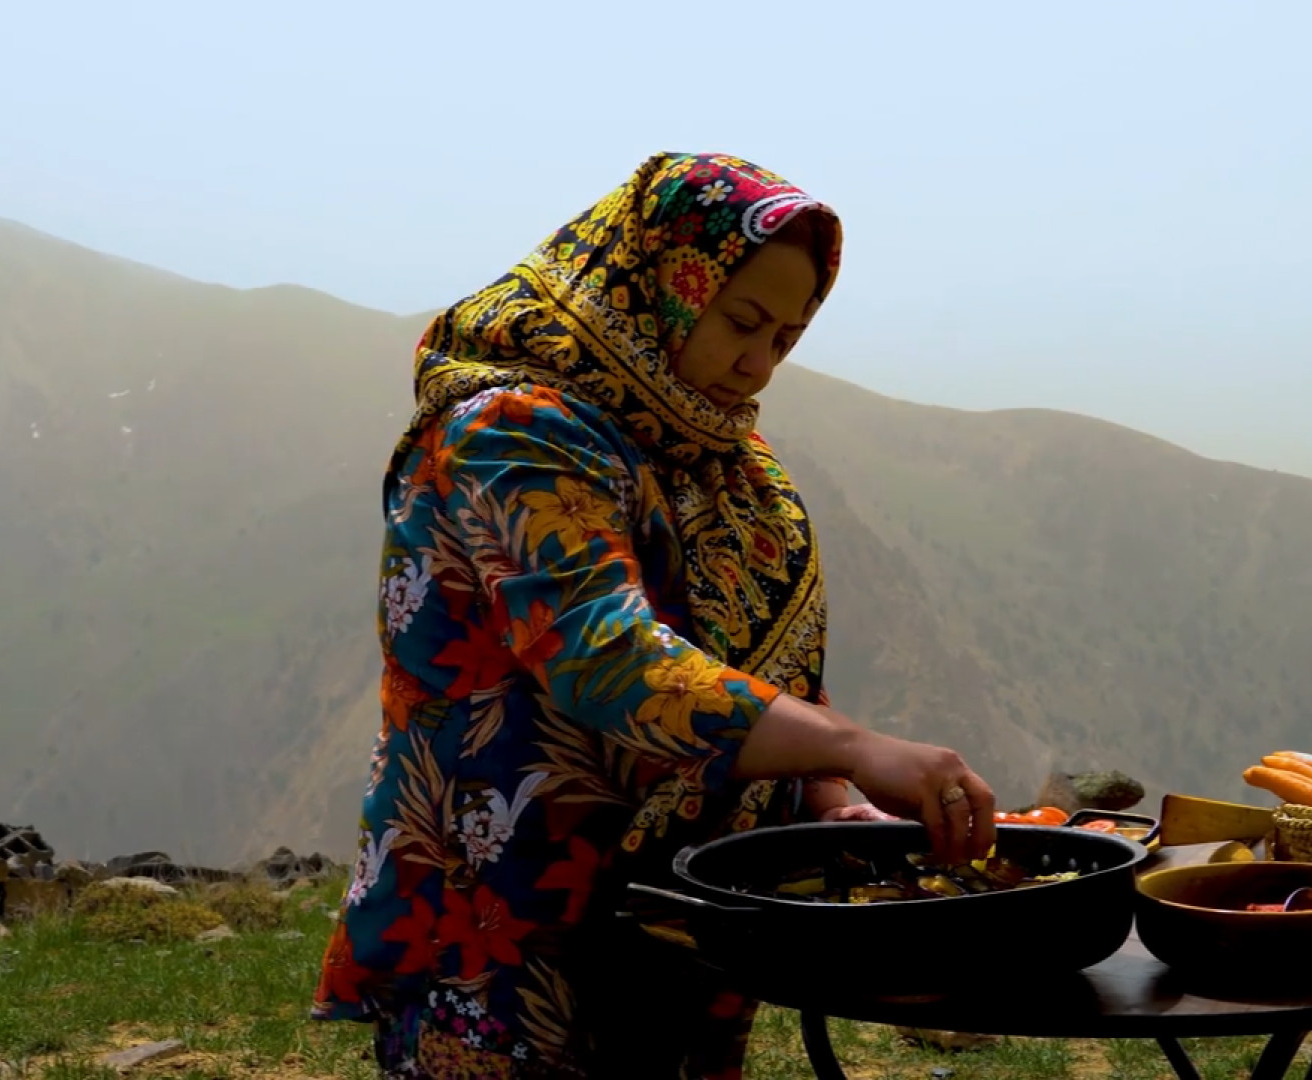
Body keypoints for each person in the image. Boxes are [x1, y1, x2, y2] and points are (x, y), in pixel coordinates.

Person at [311, 152, 998, 1079]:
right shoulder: (514, 431)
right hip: (513, 921)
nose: (757, 364)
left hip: (685, 914)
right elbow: (604, 653)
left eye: (786, 339)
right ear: (657, 287)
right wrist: (849, 746)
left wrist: (832, 804)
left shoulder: (718, 457)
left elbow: (760, 660)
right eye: (742, 322)